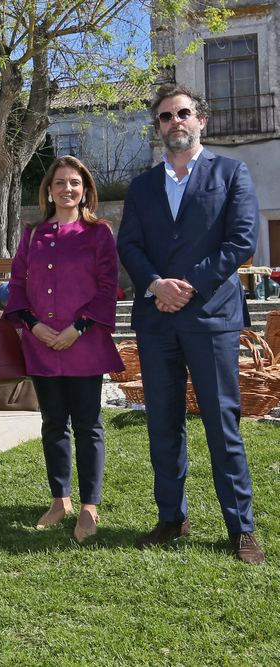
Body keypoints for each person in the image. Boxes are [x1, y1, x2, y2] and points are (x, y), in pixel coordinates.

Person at [118, 84, 265, 564]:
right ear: (157, 127)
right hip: (157, 322)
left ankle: (240, 529)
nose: (174, 121)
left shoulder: (231, 173)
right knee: (162, 423)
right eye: (165, 117)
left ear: (201, 120)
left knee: (223, 424)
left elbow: (241, 241)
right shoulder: (142, 187)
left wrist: (187, 284)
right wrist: (157, 284)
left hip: (212, 319)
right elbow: (130, 247)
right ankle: (170, 518)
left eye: (183, 113)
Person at [4, 156, 124, 543]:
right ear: (49, 190)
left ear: (85, 189)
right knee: (53, 424)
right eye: (60, 183)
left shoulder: (98, 233)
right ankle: (60, 499)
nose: (67, 189)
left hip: (84, 344)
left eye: (74, 183)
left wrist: (78, 327)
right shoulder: (33, 234)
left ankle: (89, 505)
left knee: (88, 426)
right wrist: (34, 325)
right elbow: (18, 285)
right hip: (41, 344)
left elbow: (109, 289)